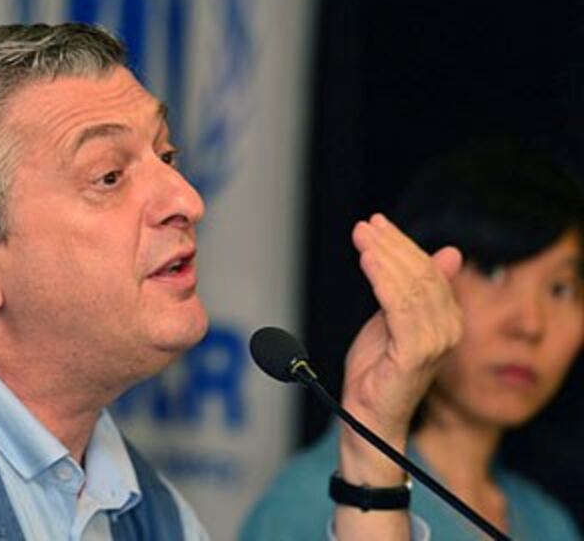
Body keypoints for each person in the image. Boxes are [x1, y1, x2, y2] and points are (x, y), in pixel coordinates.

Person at [0, 22, 461, 540]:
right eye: (109, 175)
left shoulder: (143, 504)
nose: (187, 198)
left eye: (167, 156)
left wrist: (372, 433)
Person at [242, 140, 584, 540]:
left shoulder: (548, 523)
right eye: (492, 272)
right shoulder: (314, 501)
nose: (530, 324)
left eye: (561, 289)